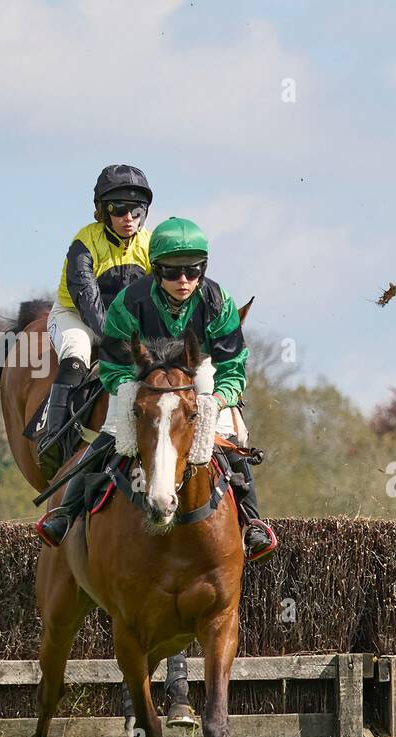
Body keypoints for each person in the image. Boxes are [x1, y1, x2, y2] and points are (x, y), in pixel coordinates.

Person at [35, 217, 278, 563]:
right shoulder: (128, 302)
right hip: (142, 374)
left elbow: (233, 365)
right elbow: (115, 360)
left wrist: (218, 399)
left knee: (229, 433)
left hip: (198, 370)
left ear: (202, 270)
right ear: (156, 269)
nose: (183, 281)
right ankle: (65, 513)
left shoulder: (218, 301)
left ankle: (253, 522)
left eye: (192, 272)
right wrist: (129, 390)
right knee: (116, 428)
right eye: (172, 273)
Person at [38, 165, 154, 468]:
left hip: (127, 325)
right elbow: (89, 304)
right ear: (103, 211)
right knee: (76, 354)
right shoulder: (84, 244)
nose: (129, 218)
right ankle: (55, 436)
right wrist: (116, 343)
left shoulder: (150, 246)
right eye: (119, 209)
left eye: (137, 210)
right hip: (75, 316)